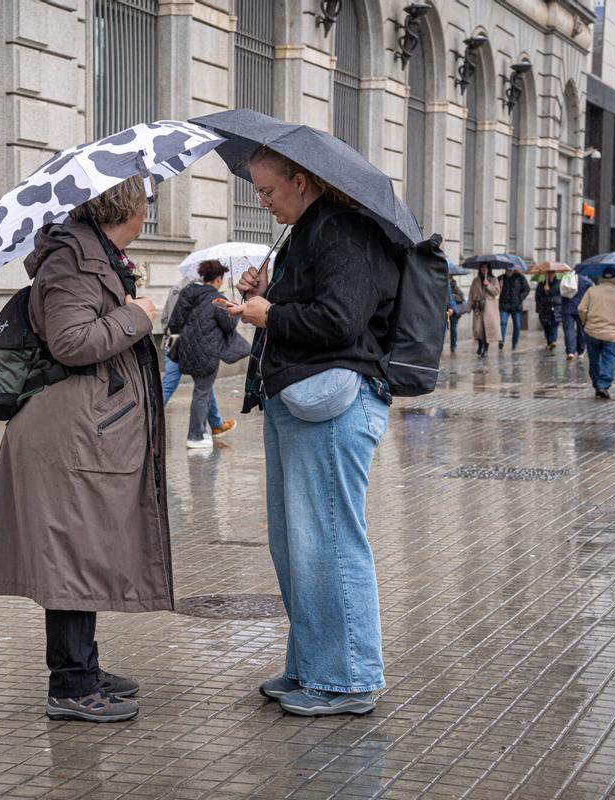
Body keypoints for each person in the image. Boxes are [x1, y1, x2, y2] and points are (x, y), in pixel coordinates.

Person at [0, 175, 170, 723]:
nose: (149, 216)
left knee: (82, 550)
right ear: (129, 210)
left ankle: (82, 665)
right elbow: (71, 341)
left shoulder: (96, 258)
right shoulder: (71, 263)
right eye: (147, 205)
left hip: (87, 426)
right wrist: (137, 316)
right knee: (72, 552)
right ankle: (70, 684)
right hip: (68, 431)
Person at [227, 146, 397, 717]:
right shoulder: (305, 232)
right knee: (298, 543)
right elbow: (312, 308)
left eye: (269, 191)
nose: (264, 201)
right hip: (297, 399)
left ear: (302, 180)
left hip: (333, 405)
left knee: (328, 540)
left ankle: (348, 679)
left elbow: (340, 320)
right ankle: (312, 664)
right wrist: (266, 290)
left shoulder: (343, 231)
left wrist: (268, 314)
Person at [167, 259, 240, 449]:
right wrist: (234, 310)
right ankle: (196, 436)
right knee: (201, 392)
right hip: (207, 353)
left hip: (185, 350)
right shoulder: (217, 300)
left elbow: (175, 322)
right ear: (218, 279)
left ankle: (215, 425)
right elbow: (229, 325)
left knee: (204, 388)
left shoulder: (187, 292)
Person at [578, 266, 615, 400]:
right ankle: (603, 384)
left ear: (602, 277)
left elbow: (581, 308)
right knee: (608, 359)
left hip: (592, 331)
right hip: (610, 333)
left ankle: (597, 385)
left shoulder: (592, 290)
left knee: (594, 360)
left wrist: (585, 320)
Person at [468, 263, 501, 357]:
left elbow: (496, 292)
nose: (484, 269)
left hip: (489, 308)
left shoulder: (493, 279)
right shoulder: (476, 280)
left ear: (489, 269)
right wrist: (469, 307)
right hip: (478, 308)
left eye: (486, 268)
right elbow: (471, 293)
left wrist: (488, 285)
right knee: (478, 329)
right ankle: (480, 344)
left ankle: (485, 349)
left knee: (487, 329)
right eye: (482, 267)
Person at [561, 273, 593, 361]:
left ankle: (570, 351)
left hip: (567, 308)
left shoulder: (566, 279)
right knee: (581, 329)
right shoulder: (587, 281)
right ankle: (581, 350)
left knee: (569, 330)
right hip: (581, 308)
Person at [498, 266, 530, 349]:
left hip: (516, 306)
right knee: (503, 322)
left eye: (510, 268)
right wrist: (499, 286)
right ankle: (501, 341)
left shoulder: (520, 277)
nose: (508, 270)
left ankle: (514, 342)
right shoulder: (501, 278)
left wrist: (520, 298)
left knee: (517, 325)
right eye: (507, 269)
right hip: (504, 305)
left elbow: (527, 289)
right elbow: (495, 290)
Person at [534, 270, 563, 351]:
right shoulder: (541, 283)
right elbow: (537, 297)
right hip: (544, 309)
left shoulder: (559, 283)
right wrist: (544, 291)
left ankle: (553, 340)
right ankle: (549, 342)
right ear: (546, 274)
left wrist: (549, 292)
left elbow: (560, 296)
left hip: (555, 308)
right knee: (546, 327)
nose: (551, 275)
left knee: (554, 324)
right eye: (549, 273)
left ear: (555, 273)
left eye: (552, 273)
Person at [447, 276, 466, 353]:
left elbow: (461, 297)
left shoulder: (455, 287)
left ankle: (453, 345)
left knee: (453, 328)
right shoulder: (443, 285)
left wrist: (452, 296)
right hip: (446, 311)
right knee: (445, 328)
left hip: (454, 311)